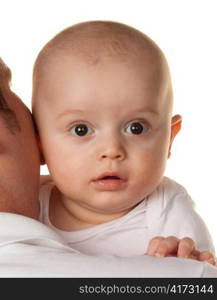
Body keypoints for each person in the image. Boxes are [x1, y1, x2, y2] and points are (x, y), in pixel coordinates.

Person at [1, 57, 217, 277]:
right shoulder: (34, 198)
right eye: (81, 130)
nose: (112, 149)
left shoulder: (165, 205)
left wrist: (183, 253)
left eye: (136, 127)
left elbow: (204, 271)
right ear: (41, 144)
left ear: (169, 138)